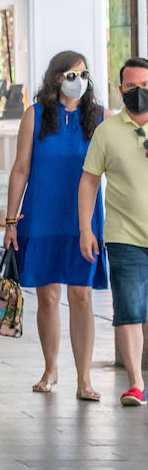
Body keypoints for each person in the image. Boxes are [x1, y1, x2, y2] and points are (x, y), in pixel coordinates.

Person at [5, 51, 108, 400]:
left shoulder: (99, 116)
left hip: (84, 219)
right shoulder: (35, 115)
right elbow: (20, 169)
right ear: (56, 78)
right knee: (48, 297)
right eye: (70, 74)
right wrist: (10, 220)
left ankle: (84, 379)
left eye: (83, 74)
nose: (77, 80)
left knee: (81, 294)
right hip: (42, 214)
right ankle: (50, 368)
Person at [80, 58, 148, 407]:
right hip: (123, 236)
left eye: (145, 86)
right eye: (131, 87)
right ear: (120, 89)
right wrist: (85, 229)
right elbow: (89, 180)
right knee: (130, 309)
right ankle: (136, 383)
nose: (138, 93)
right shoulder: (106, 131)